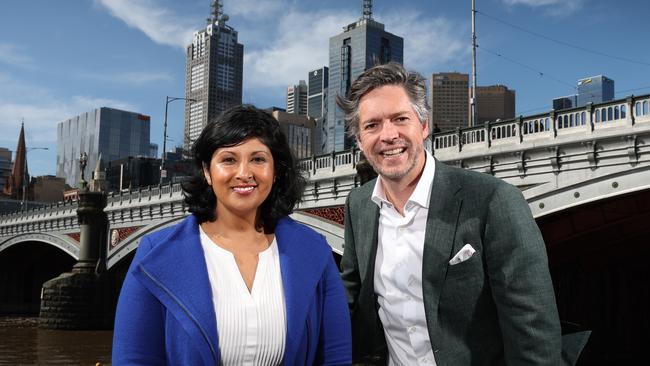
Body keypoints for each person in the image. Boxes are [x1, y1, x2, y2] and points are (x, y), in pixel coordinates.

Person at [337, 63, 561, 365]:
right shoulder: (359, 204)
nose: (388, 135)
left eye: (400, 119)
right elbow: (349, 296)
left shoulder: (493, 200)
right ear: (359, 140)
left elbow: (533, 330)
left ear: (424, 125)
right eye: (372, 125)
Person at [113, 105, 351, 365]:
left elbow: (335, 357)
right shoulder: (156, 254)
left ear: (275, 170)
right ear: (207, 171)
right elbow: (134, 358)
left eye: (258, 159)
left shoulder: (314, 252)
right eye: (229, 159)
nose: (244, 173)